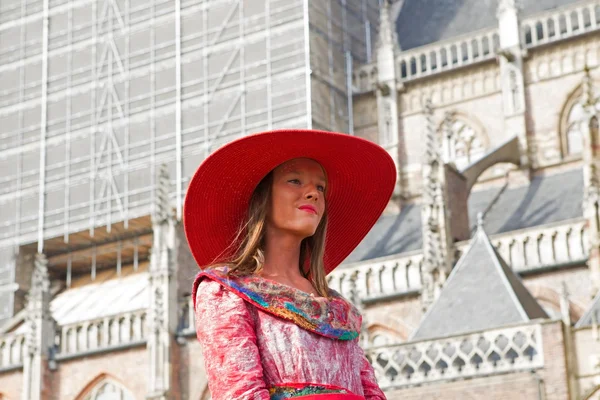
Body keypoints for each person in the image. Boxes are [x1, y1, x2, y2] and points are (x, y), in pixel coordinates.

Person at [184, 129, 395, 400]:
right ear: (262, 198)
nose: (313, 194)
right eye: (295, 181)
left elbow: (372, 394)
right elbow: (239, 394)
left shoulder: (338, 311)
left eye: (320, 187)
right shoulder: (226, 293)